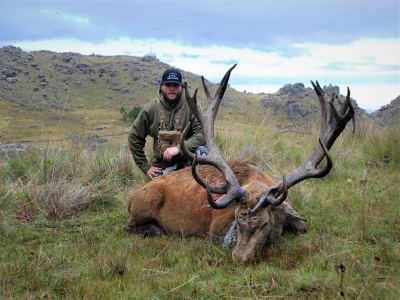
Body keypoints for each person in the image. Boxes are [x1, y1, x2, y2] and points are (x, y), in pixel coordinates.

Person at [128, 68, 207, 180]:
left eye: (175, 85)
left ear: (182, 87)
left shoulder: (192, 105)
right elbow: (134, 137)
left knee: (203, 152)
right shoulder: (150, 108)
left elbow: (202, 135)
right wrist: (145, 167)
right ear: (161, 86)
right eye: (168, 85)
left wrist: (179, 148)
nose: (172, 88)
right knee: (160, 190)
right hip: (163, 166)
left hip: (188, 159)